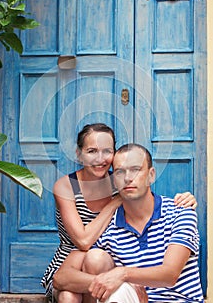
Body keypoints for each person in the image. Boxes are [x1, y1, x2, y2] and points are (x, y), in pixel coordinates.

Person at [41, 124, 197, 301]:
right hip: (75, 258)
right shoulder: (68, 186)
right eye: (92, 151)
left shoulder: (122, 182)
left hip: (107, 264)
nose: (100, 159)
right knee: (70, 295)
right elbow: (83, 242)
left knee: (97, 262)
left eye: (107, 151)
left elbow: (146, 197)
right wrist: (116, 201)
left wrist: (186, 200)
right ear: (79, 154)